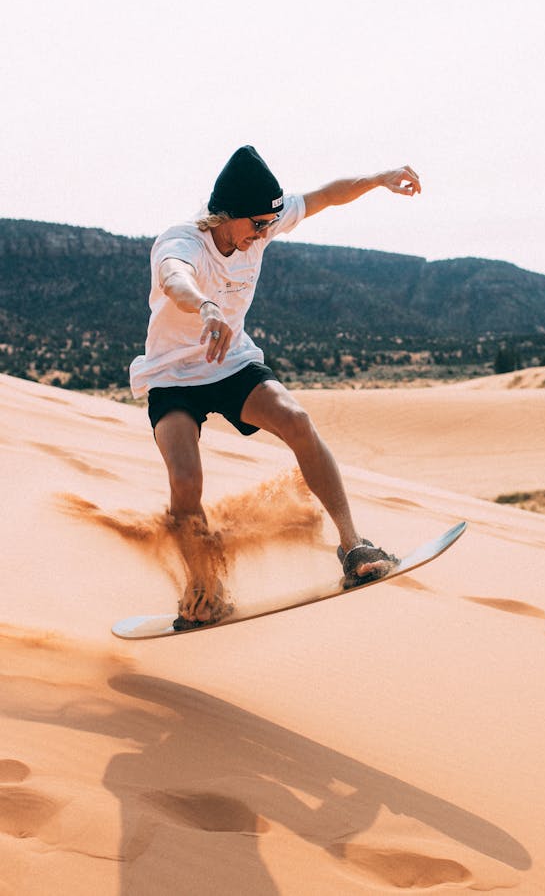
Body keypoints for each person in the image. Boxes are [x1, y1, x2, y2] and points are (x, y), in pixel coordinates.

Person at [130, 145, 422, 628]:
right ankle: (203, 589)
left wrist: (378, 178)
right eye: (257, 226)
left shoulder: (263, 222)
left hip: (231, 363)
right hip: (171, 377)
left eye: (270, 224)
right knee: (184, 480)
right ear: (226, 216)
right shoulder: (180, 241)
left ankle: (353, 547)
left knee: (297, 421)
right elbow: (175, 278)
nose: (265, 234)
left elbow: (326, 195)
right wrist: (205, 307)